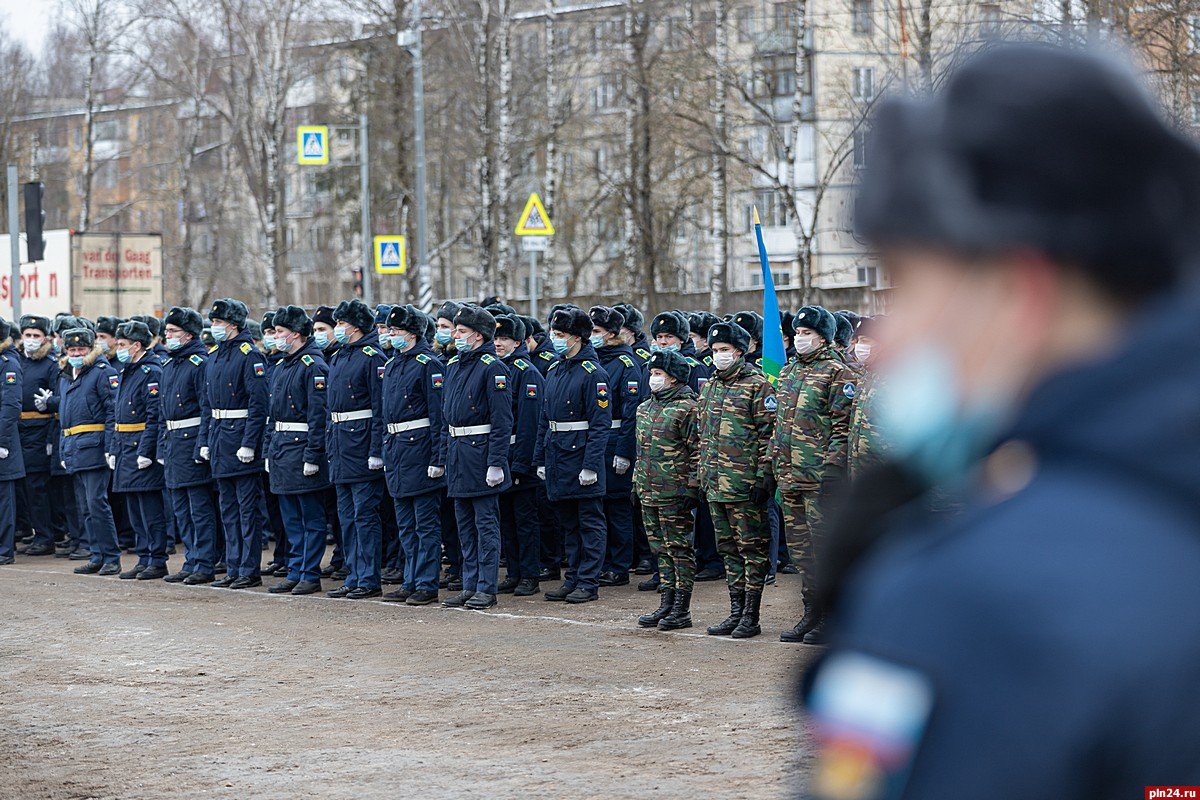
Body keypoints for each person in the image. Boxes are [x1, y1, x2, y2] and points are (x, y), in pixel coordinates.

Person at [802, 45, 1200, 797]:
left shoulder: (974, 599)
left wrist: (895, 615)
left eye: (906, 286)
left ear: (1020, 296)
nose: (879, 343)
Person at [771, 306, 855, 644]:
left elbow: (842, 426)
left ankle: (832, 618)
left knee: (824, 551)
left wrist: (833, 468)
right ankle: (810, 613)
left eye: (807, 333)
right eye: (798, 332)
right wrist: (773, 464)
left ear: (823, 336)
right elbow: (780, 425)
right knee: (801, 552)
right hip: (790, 477)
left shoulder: (838, 373)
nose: (800, 339)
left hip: (819, 478)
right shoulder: (791, 371)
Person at [695, 321, 774, 639]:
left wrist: (762, 477)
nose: (718, 356)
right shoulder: (712, 385)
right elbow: (703, 437)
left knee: (752, 551)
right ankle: (736, 611)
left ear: (740, 351)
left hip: (744, 486)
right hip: (716, 485)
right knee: (728, 550)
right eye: (714, 351)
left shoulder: (758, 385)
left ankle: (751, 617)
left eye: (724, 350)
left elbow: (770, 435)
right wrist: (703, 477)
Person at [533, 307, 611, 604]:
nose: (555, 339)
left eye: (561, 335)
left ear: (577, 337)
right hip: (557, 455)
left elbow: (600, 424)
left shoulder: (594, 373)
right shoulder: (554, 369)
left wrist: (591, 465)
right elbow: (545, 417)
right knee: (569, 523)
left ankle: (588, 581)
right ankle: (573, 577)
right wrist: (541, 458)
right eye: (553, 334)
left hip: (580, 458)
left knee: (589, 522)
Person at [440, 305, 513, 610]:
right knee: (464, 527)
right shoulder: (455, 364)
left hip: (481, 455)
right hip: (459, 454)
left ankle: (486, 587)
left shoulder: (491, 367)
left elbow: (502, 420)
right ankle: (470, 584)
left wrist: (496, 462)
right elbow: (448, 417)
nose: (455, 336)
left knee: (486, 526)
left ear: (479, 335)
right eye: (455, 330)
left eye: (461, 332)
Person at [379, 304, 445, 606]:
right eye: (390, 330)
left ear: (414, 333)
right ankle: (410, 579)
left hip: (419, 450)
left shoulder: (428, 365)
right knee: (405, 524)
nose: (391, 335)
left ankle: (427, 583)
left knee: (425, 523)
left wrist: (437, 458)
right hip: (396, 451)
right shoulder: (392, 365)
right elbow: (386, 414)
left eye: (397, 331)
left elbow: (437, 416)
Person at [264, 305, 329, 596]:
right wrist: (268, 450)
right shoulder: (281, 366)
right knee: (290, 517)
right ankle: (295, 569)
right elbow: (272, 415)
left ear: (297, 334)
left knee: (310, 517)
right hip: (281, 450)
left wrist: (313, 455)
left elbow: (318, 415)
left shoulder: (313, 366)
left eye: (280, 332)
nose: (276, 337)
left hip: (302, 449)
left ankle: (309, 572)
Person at [325, 299, 388, 600]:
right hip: (341, 446)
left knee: (365, 515)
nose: (337, 329)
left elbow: (379, 408)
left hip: (362, 445)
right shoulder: (339, 357)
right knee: (346, 517)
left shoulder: (371, 357)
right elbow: (332, 410)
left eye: (341, 323)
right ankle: (353, 574)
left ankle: (368, 577)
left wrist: (376, 449)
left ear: (356, 326)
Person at [205, 298, 269, 590]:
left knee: (247, 509)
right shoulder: (217, 354)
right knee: (227, 508)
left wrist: (249, 443)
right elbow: (209, 404)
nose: (214, 327)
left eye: (218, 323)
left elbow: (258, 405)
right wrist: (207, 440)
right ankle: (233, 567)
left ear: (232, 324)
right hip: (220, 438)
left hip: (241, 438)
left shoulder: (249, 355)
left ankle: (248, 568)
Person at [633, 349, 699, 630]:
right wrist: (637, 482)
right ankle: (666, 602)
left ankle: (682, 608)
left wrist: (692, 487)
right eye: (652, 373)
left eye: (658, 374)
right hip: (649, 489)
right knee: (660, 549)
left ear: (673, 378)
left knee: (679, 548)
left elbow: (697, 452)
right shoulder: (645, 408)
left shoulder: (688, 408)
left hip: (675, 491)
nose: (653, 379)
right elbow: (641, 451)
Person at [50, 327, 122, 576]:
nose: (76, 353)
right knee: (85, 506)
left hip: (94, 447)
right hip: (74, 448)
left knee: (97, 504)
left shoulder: (102, 372)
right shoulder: (66, 375)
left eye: (81, 349)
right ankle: (96, 554)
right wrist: (63, 450)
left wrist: (110, 447)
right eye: (72, 349)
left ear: (91, 349)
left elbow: (113, 411)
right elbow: (65, 420)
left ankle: (111, 556)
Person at [158, 306, 218, 584]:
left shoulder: (199, 363)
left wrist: (202, 444)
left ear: (188, 334)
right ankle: (191, 560)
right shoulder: (170, 365)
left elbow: (207, 407)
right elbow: (163, 411)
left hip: (191, 440)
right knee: (181, 508)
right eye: (167, 331)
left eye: (173, 331)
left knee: (199, 508)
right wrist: (161, 446)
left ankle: (205, 562)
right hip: (173, 443)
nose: (167, 335)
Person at [589, 305, 645, 588]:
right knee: (600, 507)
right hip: (596, 443)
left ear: (612, 334)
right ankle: (605, 562)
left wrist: (624, 452)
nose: (591, 336)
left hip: (614, 444)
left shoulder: (626, 363)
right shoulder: (596, 360)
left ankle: (620, 565)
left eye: (596, 331)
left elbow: (631, 413)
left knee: (618, 507)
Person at [109, 320, 169, 580]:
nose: (118, 348)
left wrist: (147, 450)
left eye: (122, 344)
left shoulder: (150, 371)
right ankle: (144, 556)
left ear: (136, 345)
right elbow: (118, 415)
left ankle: (157, 559)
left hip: (140, 447)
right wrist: (113, 448)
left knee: (150, 508)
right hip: (124, 446)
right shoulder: (128, 370)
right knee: (134, 507)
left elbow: (155, 415)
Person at [492, 313, 543, 597]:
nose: (498, 343)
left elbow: (529, 422)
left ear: (518, 342)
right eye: (496, 338)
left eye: (504, 339)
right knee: (507, 520)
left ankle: (529, 574)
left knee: (525, 520)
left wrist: (523, 462)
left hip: (519, 456)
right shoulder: (497, 368)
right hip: (502, 454)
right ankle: (513, 571)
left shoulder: (526, 371)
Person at [15, 315, 60, 556]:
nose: (31, 340)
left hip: (41, 430)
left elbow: (58, 398)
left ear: (45, 338)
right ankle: (34, 533)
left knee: (37, 486)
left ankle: (46, 536)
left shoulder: (50, 364)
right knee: (24, 486)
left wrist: (50, 405)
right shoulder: (20, 361)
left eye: (36, 335)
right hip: (19, 430)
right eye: (27, 335)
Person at [0, 317, 25, 565]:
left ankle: (4, 549)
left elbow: (10, 406)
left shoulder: (8, 364)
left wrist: (2, 442)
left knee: (3, 498)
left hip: (2, 441)